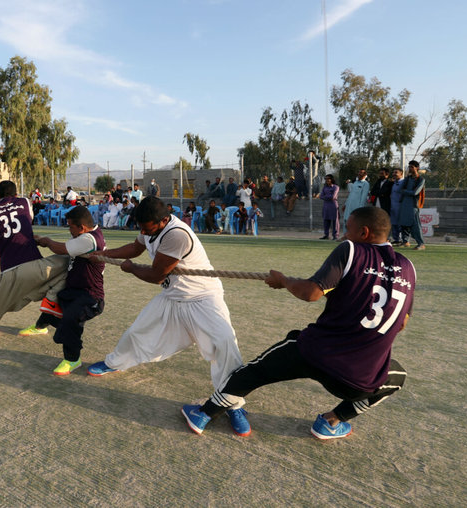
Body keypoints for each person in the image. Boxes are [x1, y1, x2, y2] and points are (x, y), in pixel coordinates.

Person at [181, 207, 415, 439]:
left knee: (254, 372)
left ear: (364, 232)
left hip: (316, 354)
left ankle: (203, 414)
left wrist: (283, 281)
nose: (344, 235)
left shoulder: (352, 250)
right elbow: (401, 323)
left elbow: (311, 293)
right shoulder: (408, 268)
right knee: (396, 377)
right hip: (359, 380)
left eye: (348, 229)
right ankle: (331, 422)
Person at [85, 197, 248, 434]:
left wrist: (131, 268)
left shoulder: (176, 235)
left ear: (163, 220)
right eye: (140, 227)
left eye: (146, 227)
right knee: (137, 331)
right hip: (173, 296)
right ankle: (115, 363)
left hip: (203, 297)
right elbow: (136, 247)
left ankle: (233, 403)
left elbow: (156, 276)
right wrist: (103, 253)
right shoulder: (149, 226)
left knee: (225, 344)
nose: (142, 231)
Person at [0, 180, 69, 339]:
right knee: (71, 261)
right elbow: (27, 220)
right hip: (36, 266)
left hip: (9, 272)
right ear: (16, 194)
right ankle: (51, 299)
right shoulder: (25, 201)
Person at [25, 206, 106, 375]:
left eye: (70, 226)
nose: (69, 230)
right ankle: (41, 326)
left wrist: (47, 241)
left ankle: (72, 359)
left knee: (71, 321)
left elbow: (61, 249)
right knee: (52, 302)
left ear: (82, 228)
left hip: (90, 297)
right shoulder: (87, 235)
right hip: (75, 290)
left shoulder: (89, 239)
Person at [398, 160, 426, 250]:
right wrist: (405, 192)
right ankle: (405, 241)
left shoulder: (421, 179)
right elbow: (400, 189)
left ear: (417, 168)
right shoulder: (407, 179)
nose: (410, 169)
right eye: (409, 167)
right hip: (404, 203)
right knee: (403, 223)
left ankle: (421, 244)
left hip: (413, 205)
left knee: (415, 224)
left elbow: (415, 192)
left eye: (412, 167)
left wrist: (405, 191)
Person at [318, 174, 340, 240]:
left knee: (335, 220)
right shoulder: (325, 187)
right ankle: (326, 235)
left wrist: (326, 197)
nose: (327, 180)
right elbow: (321, 196)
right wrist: (328, 197)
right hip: (326, 205)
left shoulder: (336, 187)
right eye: (326, 179)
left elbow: (333, 197)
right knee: (326, 220)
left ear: (332, 179)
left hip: (333, 205)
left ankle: (335, 235)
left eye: (328, 179)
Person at [389, 169, 407, 245]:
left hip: (400, 206)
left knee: (401, 224)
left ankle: (404, 240)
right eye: (393, 172)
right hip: (393, 206)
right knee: (394, 223)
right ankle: (396, 239)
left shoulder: (404, 183)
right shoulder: (393, 183)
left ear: (401, 174)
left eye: (396, 172)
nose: (394, 174)